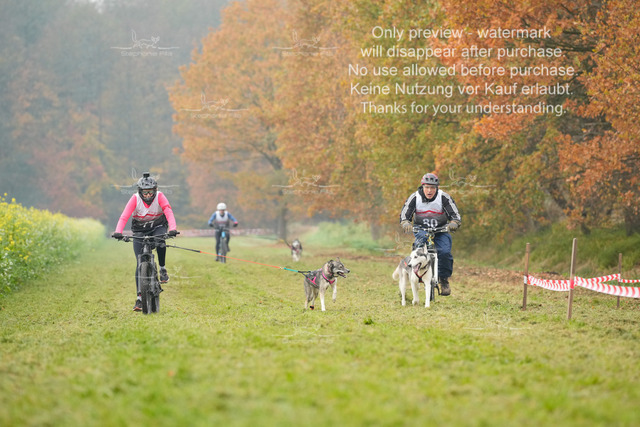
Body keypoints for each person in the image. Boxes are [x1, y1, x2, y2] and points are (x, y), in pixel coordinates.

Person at [111, 172, 178, 311]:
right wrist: (118, 232)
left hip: (158, 225)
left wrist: (172, 229)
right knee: (139, 263)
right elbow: (124, 216)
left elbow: (168, 212)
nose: (148, 195)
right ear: (140, 191)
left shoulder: (160, 196)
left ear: (155, 190)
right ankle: (139, 298)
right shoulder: (134, 199)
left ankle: (162, 269)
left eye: (150, 192)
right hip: (140, 229)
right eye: (145, 192)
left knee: (160, 241)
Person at [399, 172, 461, 296]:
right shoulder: (415, 197)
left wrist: (454, 223)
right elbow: (405, 214)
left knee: (444, 252)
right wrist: (405, 222)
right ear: (422, 187)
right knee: (418, 251)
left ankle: (443, 280)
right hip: (421, 230)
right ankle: (415, 275)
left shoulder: (444, 197)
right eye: (427, 187)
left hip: (441, 230)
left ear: (437, 188)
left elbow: (455, 215)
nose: (429, 190)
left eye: (432, 187)